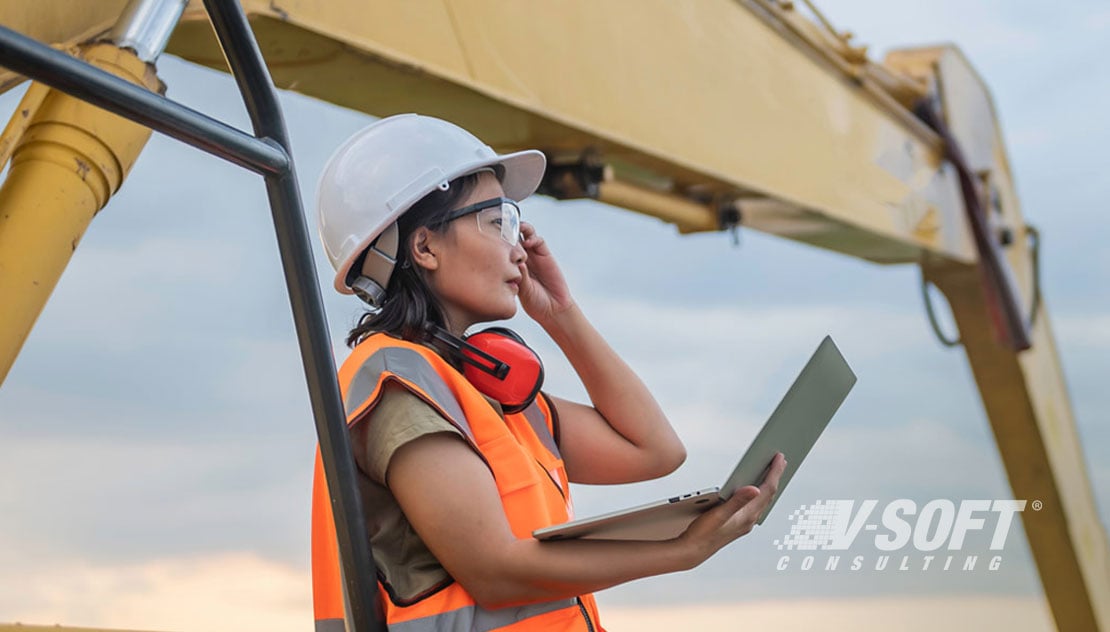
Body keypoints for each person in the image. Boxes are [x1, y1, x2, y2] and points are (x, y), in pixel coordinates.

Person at [310, 113, 786, 632]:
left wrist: (561, 314)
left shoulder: (483, 390)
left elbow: (655, 450)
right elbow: (495, 571)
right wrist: (680, 552)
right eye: (497, 222)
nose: (519, 248)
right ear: (424, 247)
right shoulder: (397, 384)